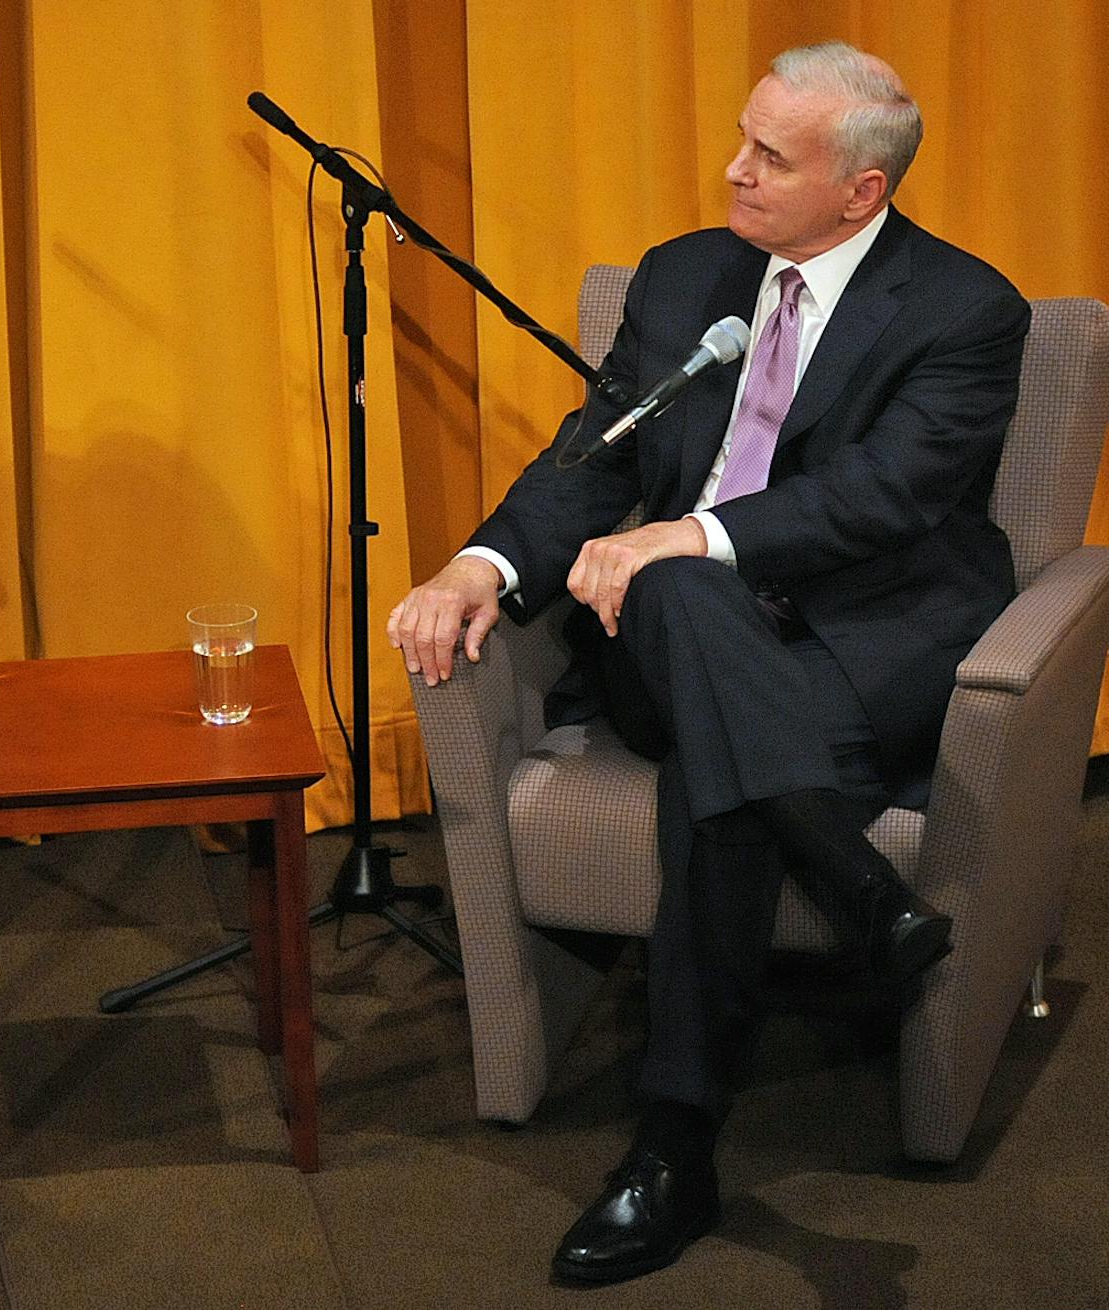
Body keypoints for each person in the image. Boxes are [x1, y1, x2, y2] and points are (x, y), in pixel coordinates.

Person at [388, 43, 1027, 1284]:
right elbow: (597, 456)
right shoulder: (684, 277)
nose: (734, 169)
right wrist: (480, 564)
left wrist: (693, 534)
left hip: (854, 644)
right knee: (680, 594)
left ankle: (673, 1146)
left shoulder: (964, 310)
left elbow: (888, 494)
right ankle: (857, 885)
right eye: (742, 138)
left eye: (771, 157)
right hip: (672, 634)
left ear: (862, 190)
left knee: (717, 781)